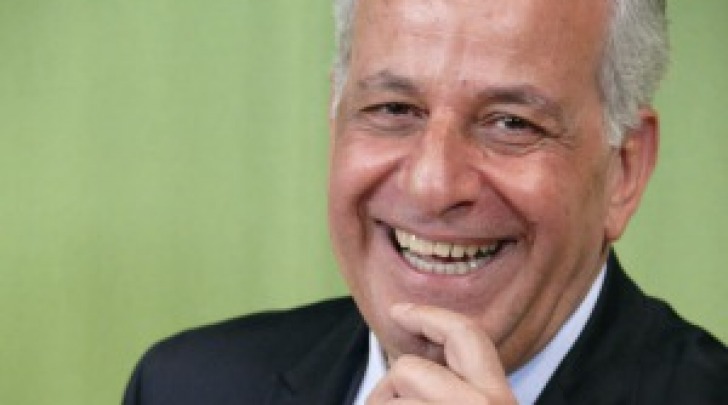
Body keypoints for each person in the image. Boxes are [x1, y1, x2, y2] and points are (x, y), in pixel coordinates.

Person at [123, 0, 728, 403]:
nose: (432, 186)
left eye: (511, 123)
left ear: (624, 169)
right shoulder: (186, 387)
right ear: (336, 119)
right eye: (394, 109)